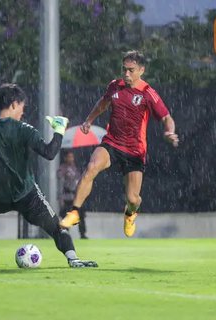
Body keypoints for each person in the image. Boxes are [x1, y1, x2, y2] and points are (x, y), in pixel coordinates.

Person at [0, 83, 97, 268]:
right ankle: (74, 260)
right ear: (14, 104)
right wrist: (58, 131)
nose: (22, 112)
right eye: (22, 107)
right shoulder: (25, 129)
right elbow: (49, 153)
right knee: (56, 227)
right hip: (27, 195)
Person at [59, 50, 179, 236]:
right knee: (91, 168)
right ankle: (74, 213)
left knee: (132, 198)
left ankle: (130, 212)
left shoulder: (148, 93)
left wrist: (169, 132)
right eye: (124, 69)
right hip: (112, 143)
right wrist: (89, 120)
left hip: (135, 151)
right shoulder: (115, 86)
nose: (126, 74)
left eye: (131, 70)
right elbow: (103, 103)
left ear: (141, 70)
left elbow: (166, 117)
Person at [57, 150, 87, 239]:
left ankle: (83, 234)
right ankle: (65, 234)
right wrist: (60, 198)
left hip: (76, 197)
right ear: (65, 158)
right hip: (67, 197)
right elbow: (60, 184)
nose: (71, 159)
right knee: (66, 216)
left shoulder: (76, 168)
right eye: (69, 157)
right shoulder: (62, 169)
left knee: (80, 216)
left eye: (72, 157)